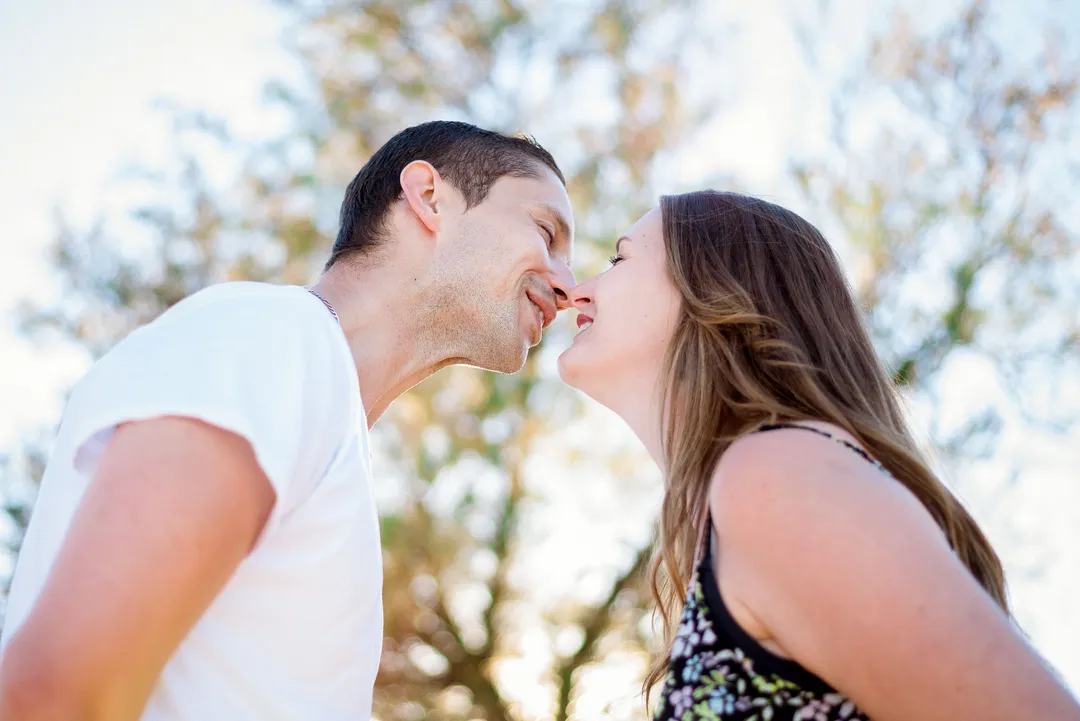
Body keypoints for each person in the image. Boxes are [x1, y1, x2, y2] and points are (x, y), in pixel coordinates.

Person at [0, 120, 576, 721]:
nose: (568, 286)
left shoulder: (321, 408)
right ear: (429, 197)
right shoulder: (273, 339)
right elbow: (53, 693)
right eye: (545, 232)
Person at [558, 190, 1080, 720]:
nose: (576, 291)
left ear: (716, 286)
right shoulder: (755, 494)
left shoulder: (777, 478)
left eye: (619, 259)